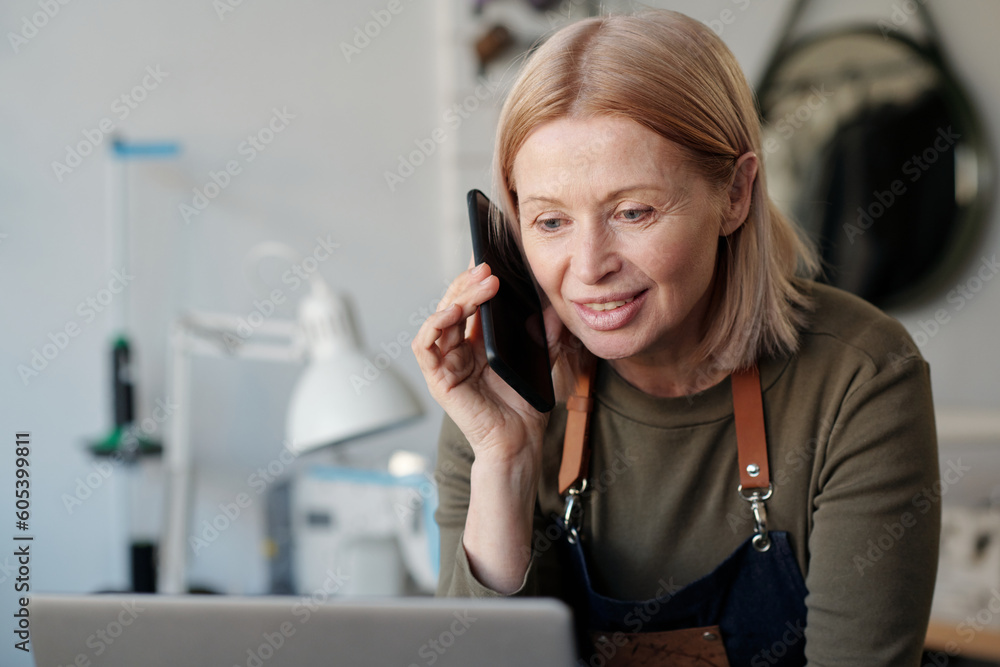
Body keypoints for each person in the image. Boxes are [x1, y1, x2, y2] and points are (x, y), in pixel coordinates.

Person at [412, 9, 939, 666]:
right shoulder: (497, 393)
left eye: (633, 211)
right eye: (550, 221)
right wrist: (505, 460)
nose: (588, 265)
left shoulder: (861, 377)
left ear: (736, 193)